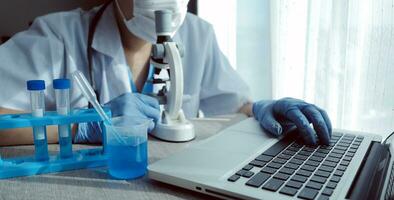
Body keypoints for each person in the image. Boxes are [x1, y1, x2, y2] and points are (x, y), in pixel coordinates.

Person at [0, 0, 331, 146]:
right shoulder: (58, 37)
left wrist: (260, 110)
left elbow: (233, 107)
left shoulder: (199, 35)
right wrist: (80, 125)